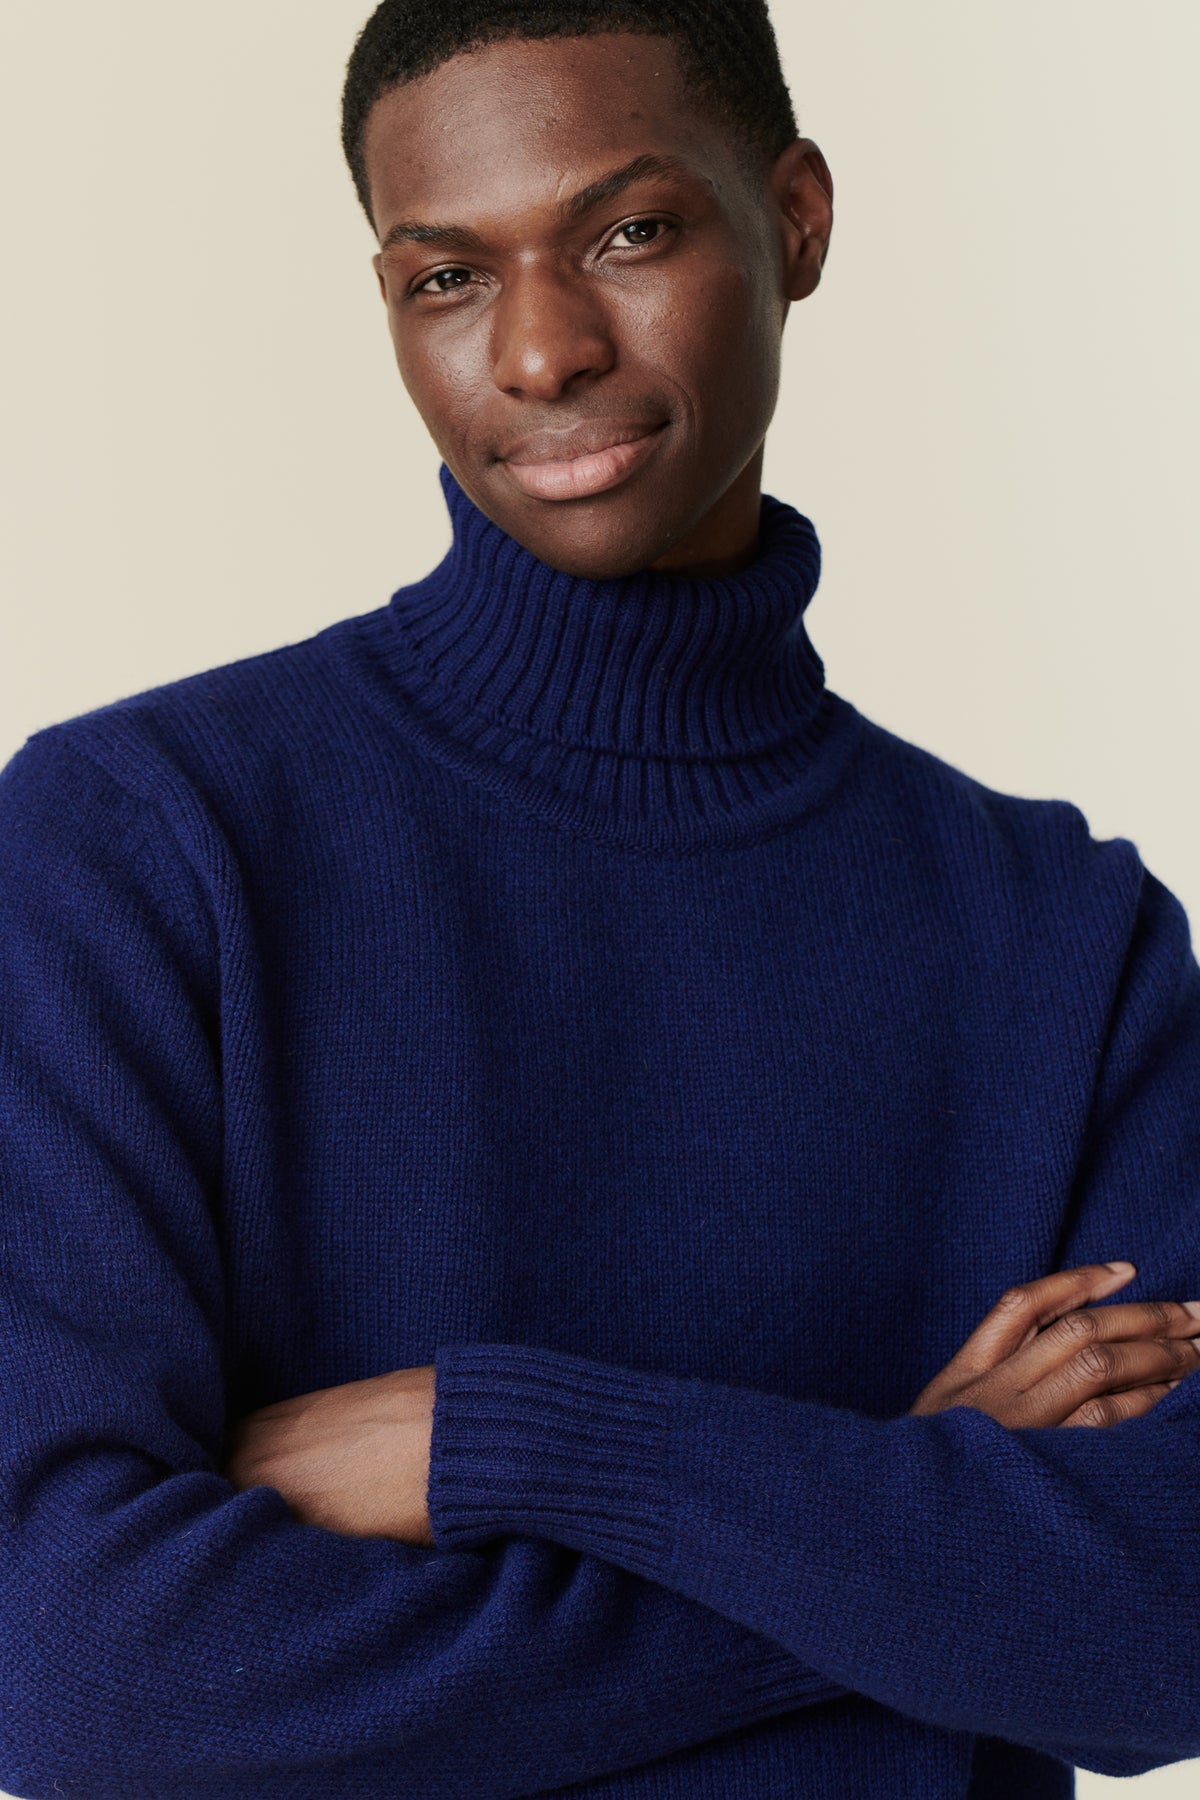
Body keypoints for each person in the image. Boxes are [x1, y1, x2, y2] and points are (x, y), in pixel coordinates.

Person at [1, 2, 1198, 1795]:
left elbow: (1161, 1633)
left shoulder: (1060, 937)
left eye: (630, 233)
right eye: (444, 278)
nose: (543, 350)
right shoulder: (144, 844)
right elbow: (74, 1667)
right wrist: (908, 1495)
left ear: (794, 217)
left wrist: (500, 1442)